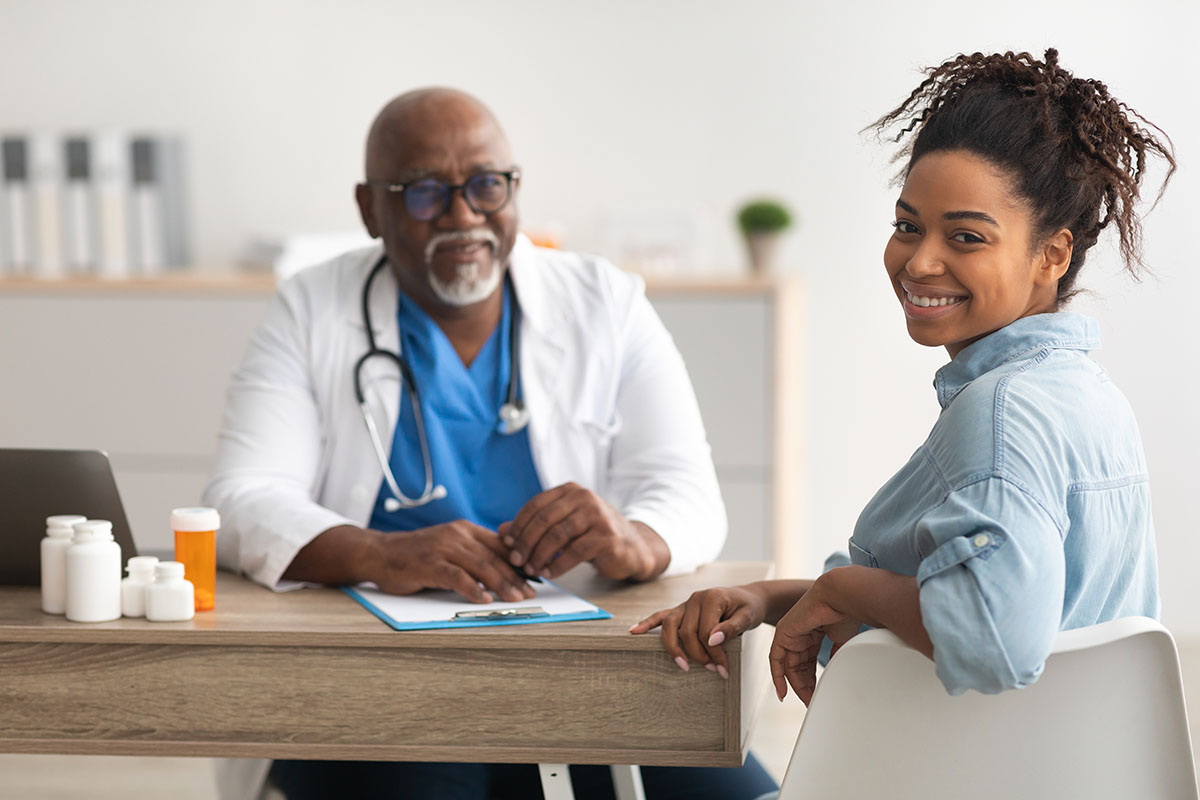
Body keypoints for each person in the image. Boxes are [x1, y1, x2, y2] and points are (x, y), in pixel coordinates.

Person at [204, 88, 777, 800]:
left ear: (513, 189)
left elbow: (688, 492)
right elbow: (239, 499)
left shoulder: (606, 301)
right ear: (369, 209)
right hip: (380, 684)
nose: (463, 216)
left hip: (586, 671)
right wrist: (378, 553)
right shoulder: (312, 308)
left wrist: (633, 538)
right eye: (423, 193)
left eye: (485, 186)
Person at [633, 49, 1175, 710]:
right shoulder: (1088, 397)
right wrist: (769, 599)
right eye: (906, 227)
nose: (919, 262)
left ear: (1052, 255)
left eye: (967, 238)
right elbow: (949, 600)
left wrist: (843, 591)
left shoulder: (1002, 414)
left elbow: (992, 640)